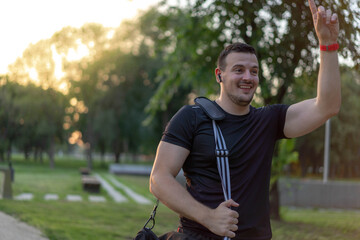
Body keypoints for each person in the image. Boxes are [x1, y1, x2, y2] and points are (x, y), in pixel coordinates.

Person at [149, 0, 340, 239]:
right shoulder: (192, 118)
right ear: (220, 75)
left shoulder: (269, 120)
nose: (248, 77)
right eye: (239, 70)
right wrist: (209, 217)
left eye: (254, 71)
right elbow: (159, 178)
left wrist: (327, 45)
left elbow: (327, 106)